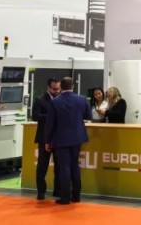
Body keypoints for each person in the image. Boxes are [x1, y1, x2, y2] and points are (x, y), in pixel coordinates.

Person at [44, 77, 92, 205]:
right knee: (75, 166)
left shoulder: (55, 102)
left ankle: (65, 197)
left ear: (61, 87)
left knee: (64, 167)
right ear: (73, 86)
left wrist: (47, 140)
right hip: (77, 138)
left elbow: (50, 124)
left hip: (61, 139)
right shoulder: (82, 100)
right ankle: (76, 195)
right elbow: (88, 116)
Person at [31, 78, 60, 200]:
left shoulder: (61, 99)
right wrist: (51, 116)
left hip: (58, 137)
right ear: (48, 87)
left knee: (59, 166)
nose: (56, 91)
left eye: (58, 88)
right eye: (54, 89)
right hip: (43, 137)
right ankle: (41, 191)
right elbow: (35, 116)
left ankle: (58, 190)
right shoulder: (40, 100)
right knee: (42, 166)